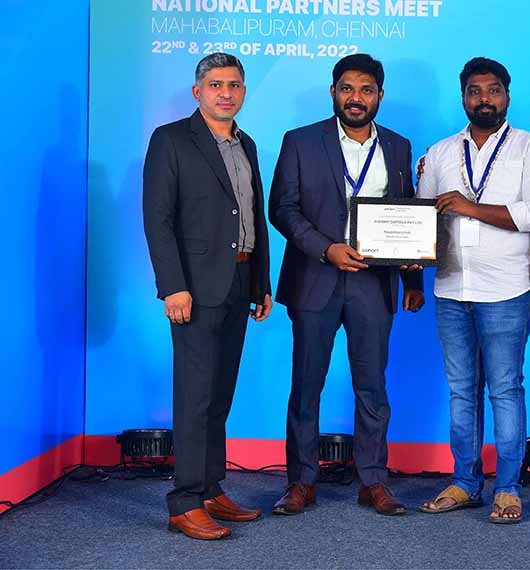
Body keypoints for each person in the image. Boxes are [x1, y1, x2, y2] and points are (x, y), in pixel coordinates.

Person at [268, 53, 424, 517]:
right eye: (347, 89)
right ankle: (300, 482)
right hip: (315, 278)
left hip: (373, 284)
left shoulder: (398, 145)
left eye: (366, 90)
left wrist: (412, 278)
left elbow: (406, 213)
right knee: (306, 385)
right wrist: (326, 249)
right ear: (333, 92)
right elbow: (283, 209)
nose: (356, 98)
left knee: (372, 386)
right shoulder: (300, 141)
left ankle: (373, 481)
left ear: (379, 95)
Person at [416, 57, 530, 524]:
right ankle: (465, 482)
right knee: (461, 392)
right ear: (463, 98)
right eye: (475, 91)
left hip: (507, 289)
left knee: (505, 390)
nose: (484, 99)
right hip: (451, 288)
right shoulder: (440, 153)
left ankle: (508, 488)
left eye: (493, 90)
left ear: (507, 95)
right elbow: (422, 220)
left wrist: (470, 207)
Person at [142, 52, 273, 540]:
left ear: (244, 92)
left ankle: (212, 488)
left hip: (240, 280)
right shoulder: (172, 140)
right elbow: (158, 219)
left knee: (220, 393)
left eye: (234, 85)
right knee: (194, 395)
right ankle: (185, 502)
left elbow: (252, 215)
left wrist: (260, 282)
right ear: (198, 91)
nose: (226, 93)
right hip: (193, 288)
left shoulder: (247, 144)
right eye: (216, 84)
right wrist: (172, 286)